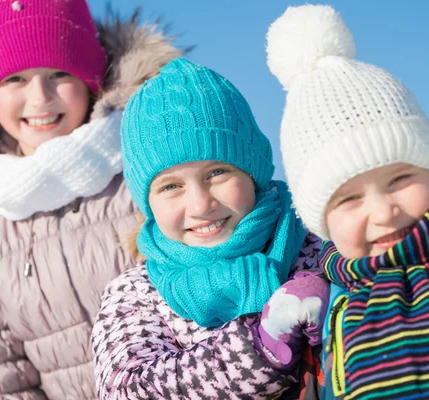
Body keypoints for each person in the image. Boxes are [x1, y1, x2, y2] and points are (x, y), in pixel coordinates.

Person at [266, 4, 429, 399]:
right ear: (322, 222)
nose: (383, 210)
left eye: (400, 179)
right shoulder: (327, 307)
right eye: (349, 199)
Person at [0, 0, 182, 398]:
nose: (40, 97)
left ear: (91, 81)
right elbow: (1, 376)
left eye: (60, 73)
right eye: (15, 79)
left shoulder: (150, 171)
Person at [91, 57, 330, 399]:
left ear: (253, 171)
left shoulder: (322, 247)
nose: (201, 205)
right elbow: (127, 389)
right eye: (171, 187)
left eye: (217, 173)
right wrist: (261, 347)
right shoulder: (138, 295)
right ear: (148, 203)